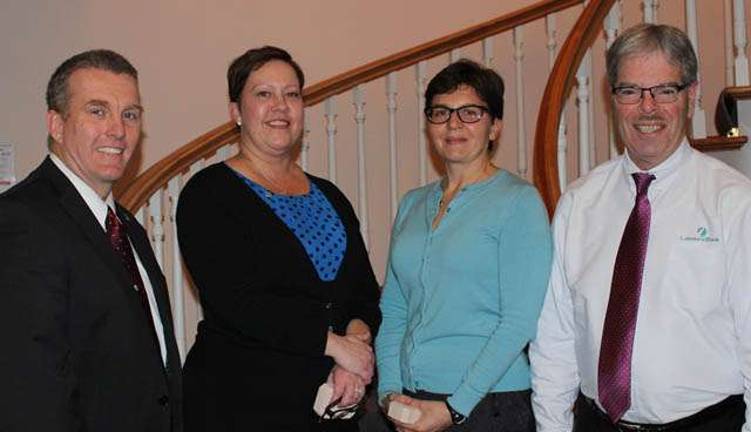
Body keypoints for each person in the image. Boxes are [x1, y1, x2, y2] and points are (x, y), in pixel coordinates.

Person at [530, 23, 751, 432]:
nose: (647, 107)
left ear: (692, 95)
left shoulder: (734, 203)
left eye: (664, 90)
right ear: (612, 99)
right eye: (630, 91)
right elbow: (555, 340)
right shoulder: (579, 203)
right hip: (598, 423)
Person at [176, 46, 381, 431]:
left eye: (292, 94)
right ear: (236, 112)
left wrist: (353, 353)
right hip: (239, 403)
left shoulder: (331, 195)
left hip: (330, 402)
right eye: (263, 94)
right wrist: (335, 346)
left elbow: (363, 293)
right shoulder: (207, 194)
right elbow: (238, 301)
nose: (280, 106)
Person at [0, 49, 182, 431]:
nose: (118, 129)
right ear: (56, 123)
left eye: (130, 114)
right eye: (97, 111)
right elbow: (29, 390)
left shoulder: (127, 227)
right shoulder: (21, 220)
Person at [374, 59, 553, 432]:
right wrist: (389, 392)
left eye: (470, 112)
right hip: (411, 398)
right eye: (441, 112)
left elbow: (519, 321)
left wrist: (454, 408)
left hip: (488, 406)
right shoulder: (412, 202)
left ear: (495, 127)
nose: (453, 124)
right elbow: (394, 310)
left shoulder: (518, 201)